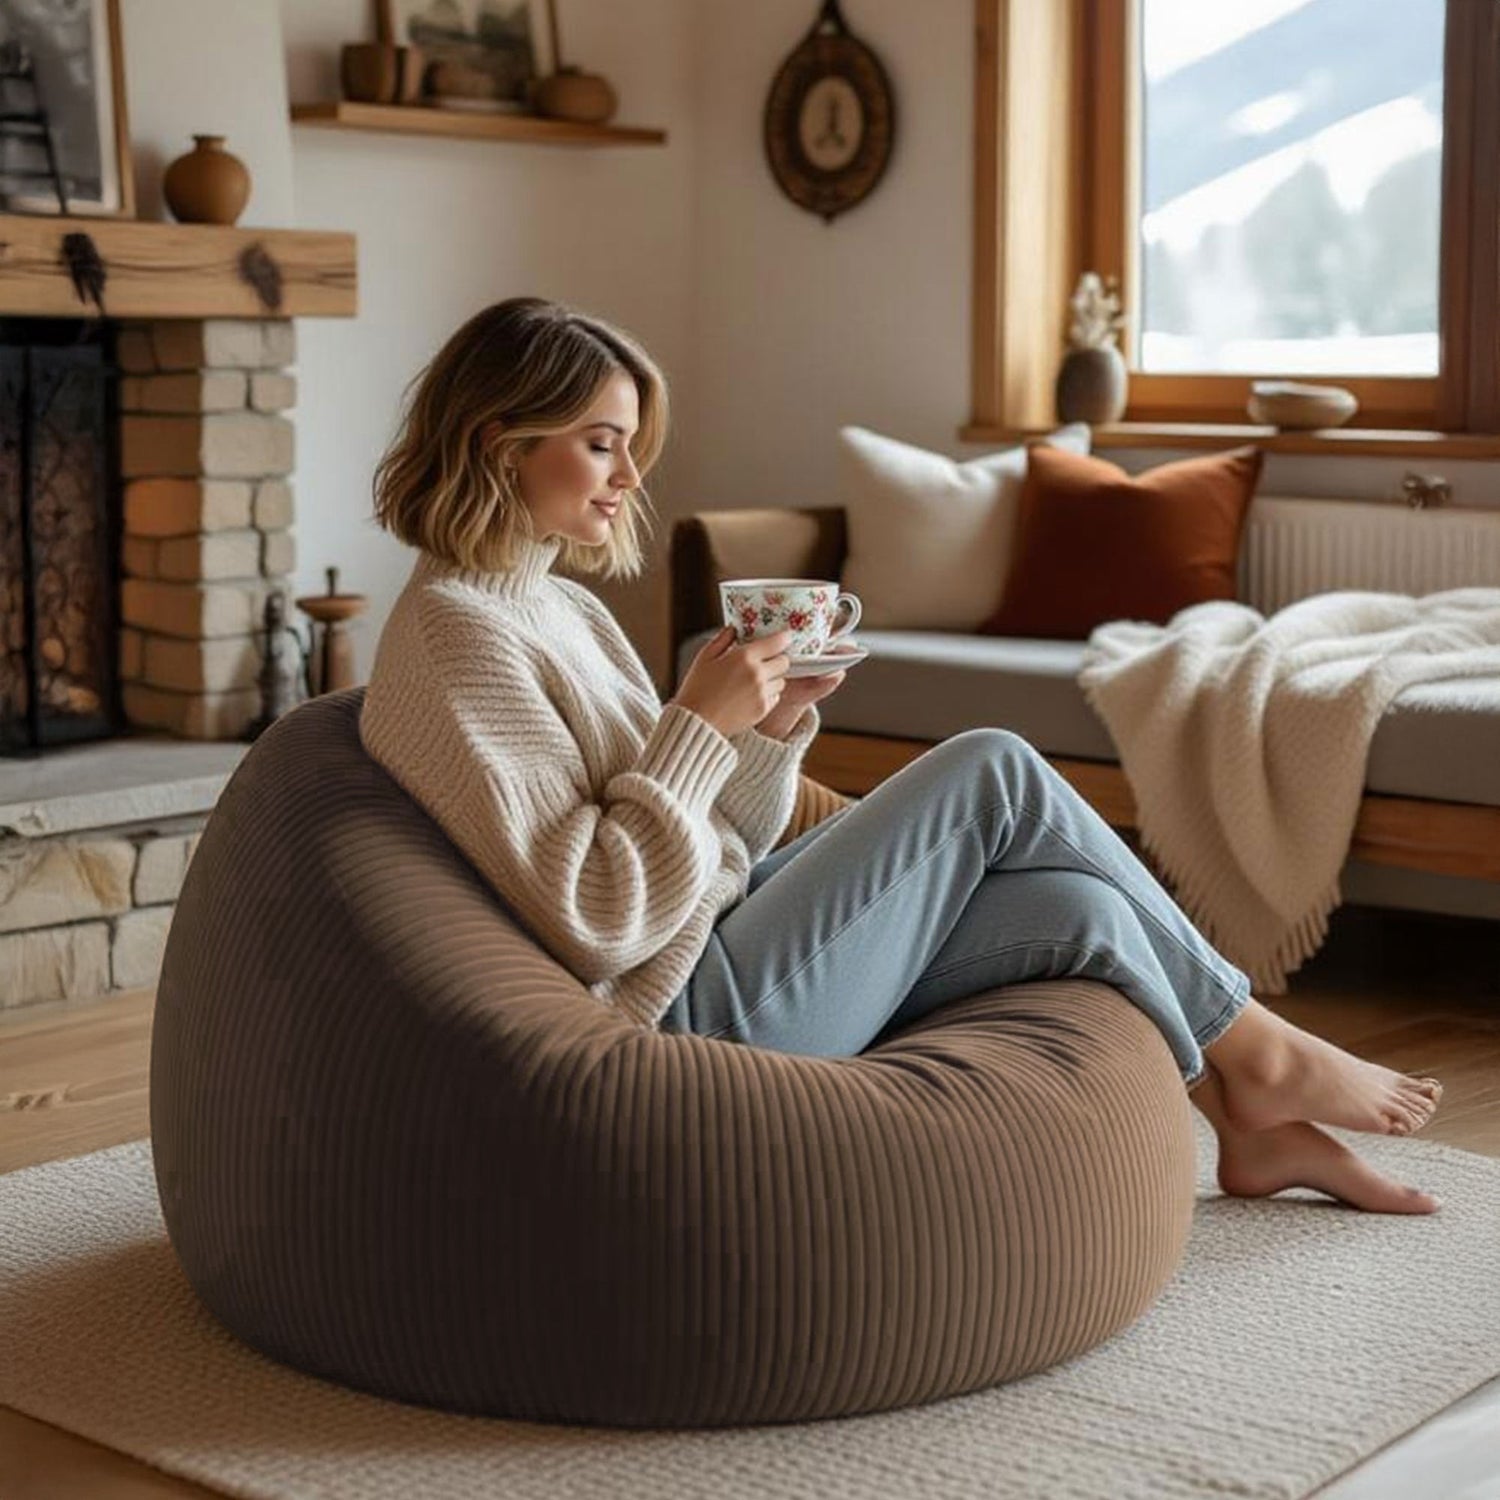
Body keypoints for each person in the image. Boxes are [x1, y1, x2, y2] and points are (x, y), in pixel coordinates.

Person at [359, 296, 1444, 1217]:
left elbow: (701, 841)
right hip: (686, 1016)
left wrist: (768, 729)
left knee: (1086, 911)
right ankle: (1263, 1054)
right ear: (503, 441)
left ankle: (1243, 1120)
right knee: (992, 768)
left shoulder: (558, 607)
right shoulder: (458, 633)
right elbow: (597, 917)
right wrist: (696, 724)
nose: (629, 477)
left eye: (633, 447)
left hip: (713, 938)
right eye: (602, 442)